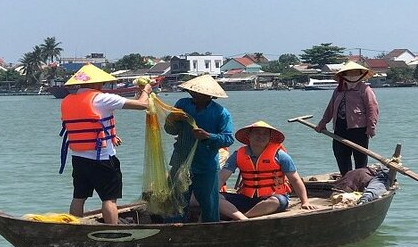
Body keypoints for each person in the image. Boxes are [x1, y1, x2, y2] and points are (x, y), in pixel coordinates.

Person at [59, 63, 151, 224]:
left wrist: (111, 136)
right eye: (101, 83)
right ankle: (113, 232)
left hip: (79, 158)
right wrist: (146, 91)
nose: (103, 86)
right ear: (95, 83)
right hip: (102, 159)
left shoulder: (68, 100)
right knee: (109, 199)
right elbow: (143, 105)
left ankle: (74, 228)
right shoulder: (102, 98)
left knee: (79, 197)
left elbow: (89, 122)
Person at [164, 74, 233, 223]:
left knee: (209, 205)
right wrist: (172, 119)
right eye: (193, 92)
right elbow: (170, 130)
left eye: (199, 93)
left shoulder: (221, 113)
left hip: (206, 164)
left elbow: (228, 138)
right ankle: (170, 233)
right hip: (180, 161)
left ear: (210, 95)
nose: (194, 95)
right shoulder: (183, 104)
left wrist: (208, 136)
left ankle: (211, 233)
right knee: (175, 204)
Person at [219, 121, 316, 220]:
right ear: (249, 135)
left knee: (275, 202)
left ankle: (245, 217)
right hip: (246, 198)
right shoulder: (238, 155)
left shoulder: (280, 155)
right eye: (257, 133)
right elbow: (222, 178)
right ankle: (242, 218)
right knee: (215, 198)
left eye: (265, 134)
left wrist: (305, 201)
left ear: (270, 137)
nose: (261, 136)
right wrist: (211, 194)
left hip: (273, 198)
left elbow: (295, 180)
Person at [314, 61, 379, 176]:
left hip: (359, 129)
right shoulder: (338, 90)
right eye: (349, 73)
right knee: (340, 154)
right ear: (344, 75)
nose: (352, 75)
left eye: (355, 73)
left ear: (361, 74)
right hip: (340, 128)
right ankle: (346, 179)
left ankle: (360, 180)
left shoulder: (364, 89)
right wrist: (322, 123)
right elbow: (330, 108)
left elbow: (372, 109)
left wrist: (371, 128)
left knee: (360, 158)